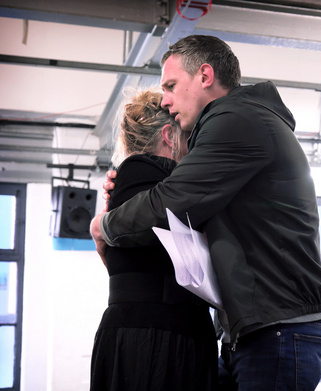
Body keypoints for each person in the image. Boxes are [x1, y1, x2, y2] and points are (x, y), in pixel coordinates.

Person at [90, 35, 321, 391]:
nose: (166, 99)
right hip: (260, 325)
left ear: (205, 76)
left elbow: (172, 200)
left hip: (279, 326)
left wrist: (106, 226)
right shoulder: (237, 121)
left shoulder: (235, 118)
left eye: (171, 86)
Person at [90, 88, 217, 391]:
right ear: (169, 135)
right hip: (159, 336)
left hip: (143, 331)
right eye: (187, 133)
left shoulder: (129, 184)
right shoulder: (152, 176)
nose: (193, 144)